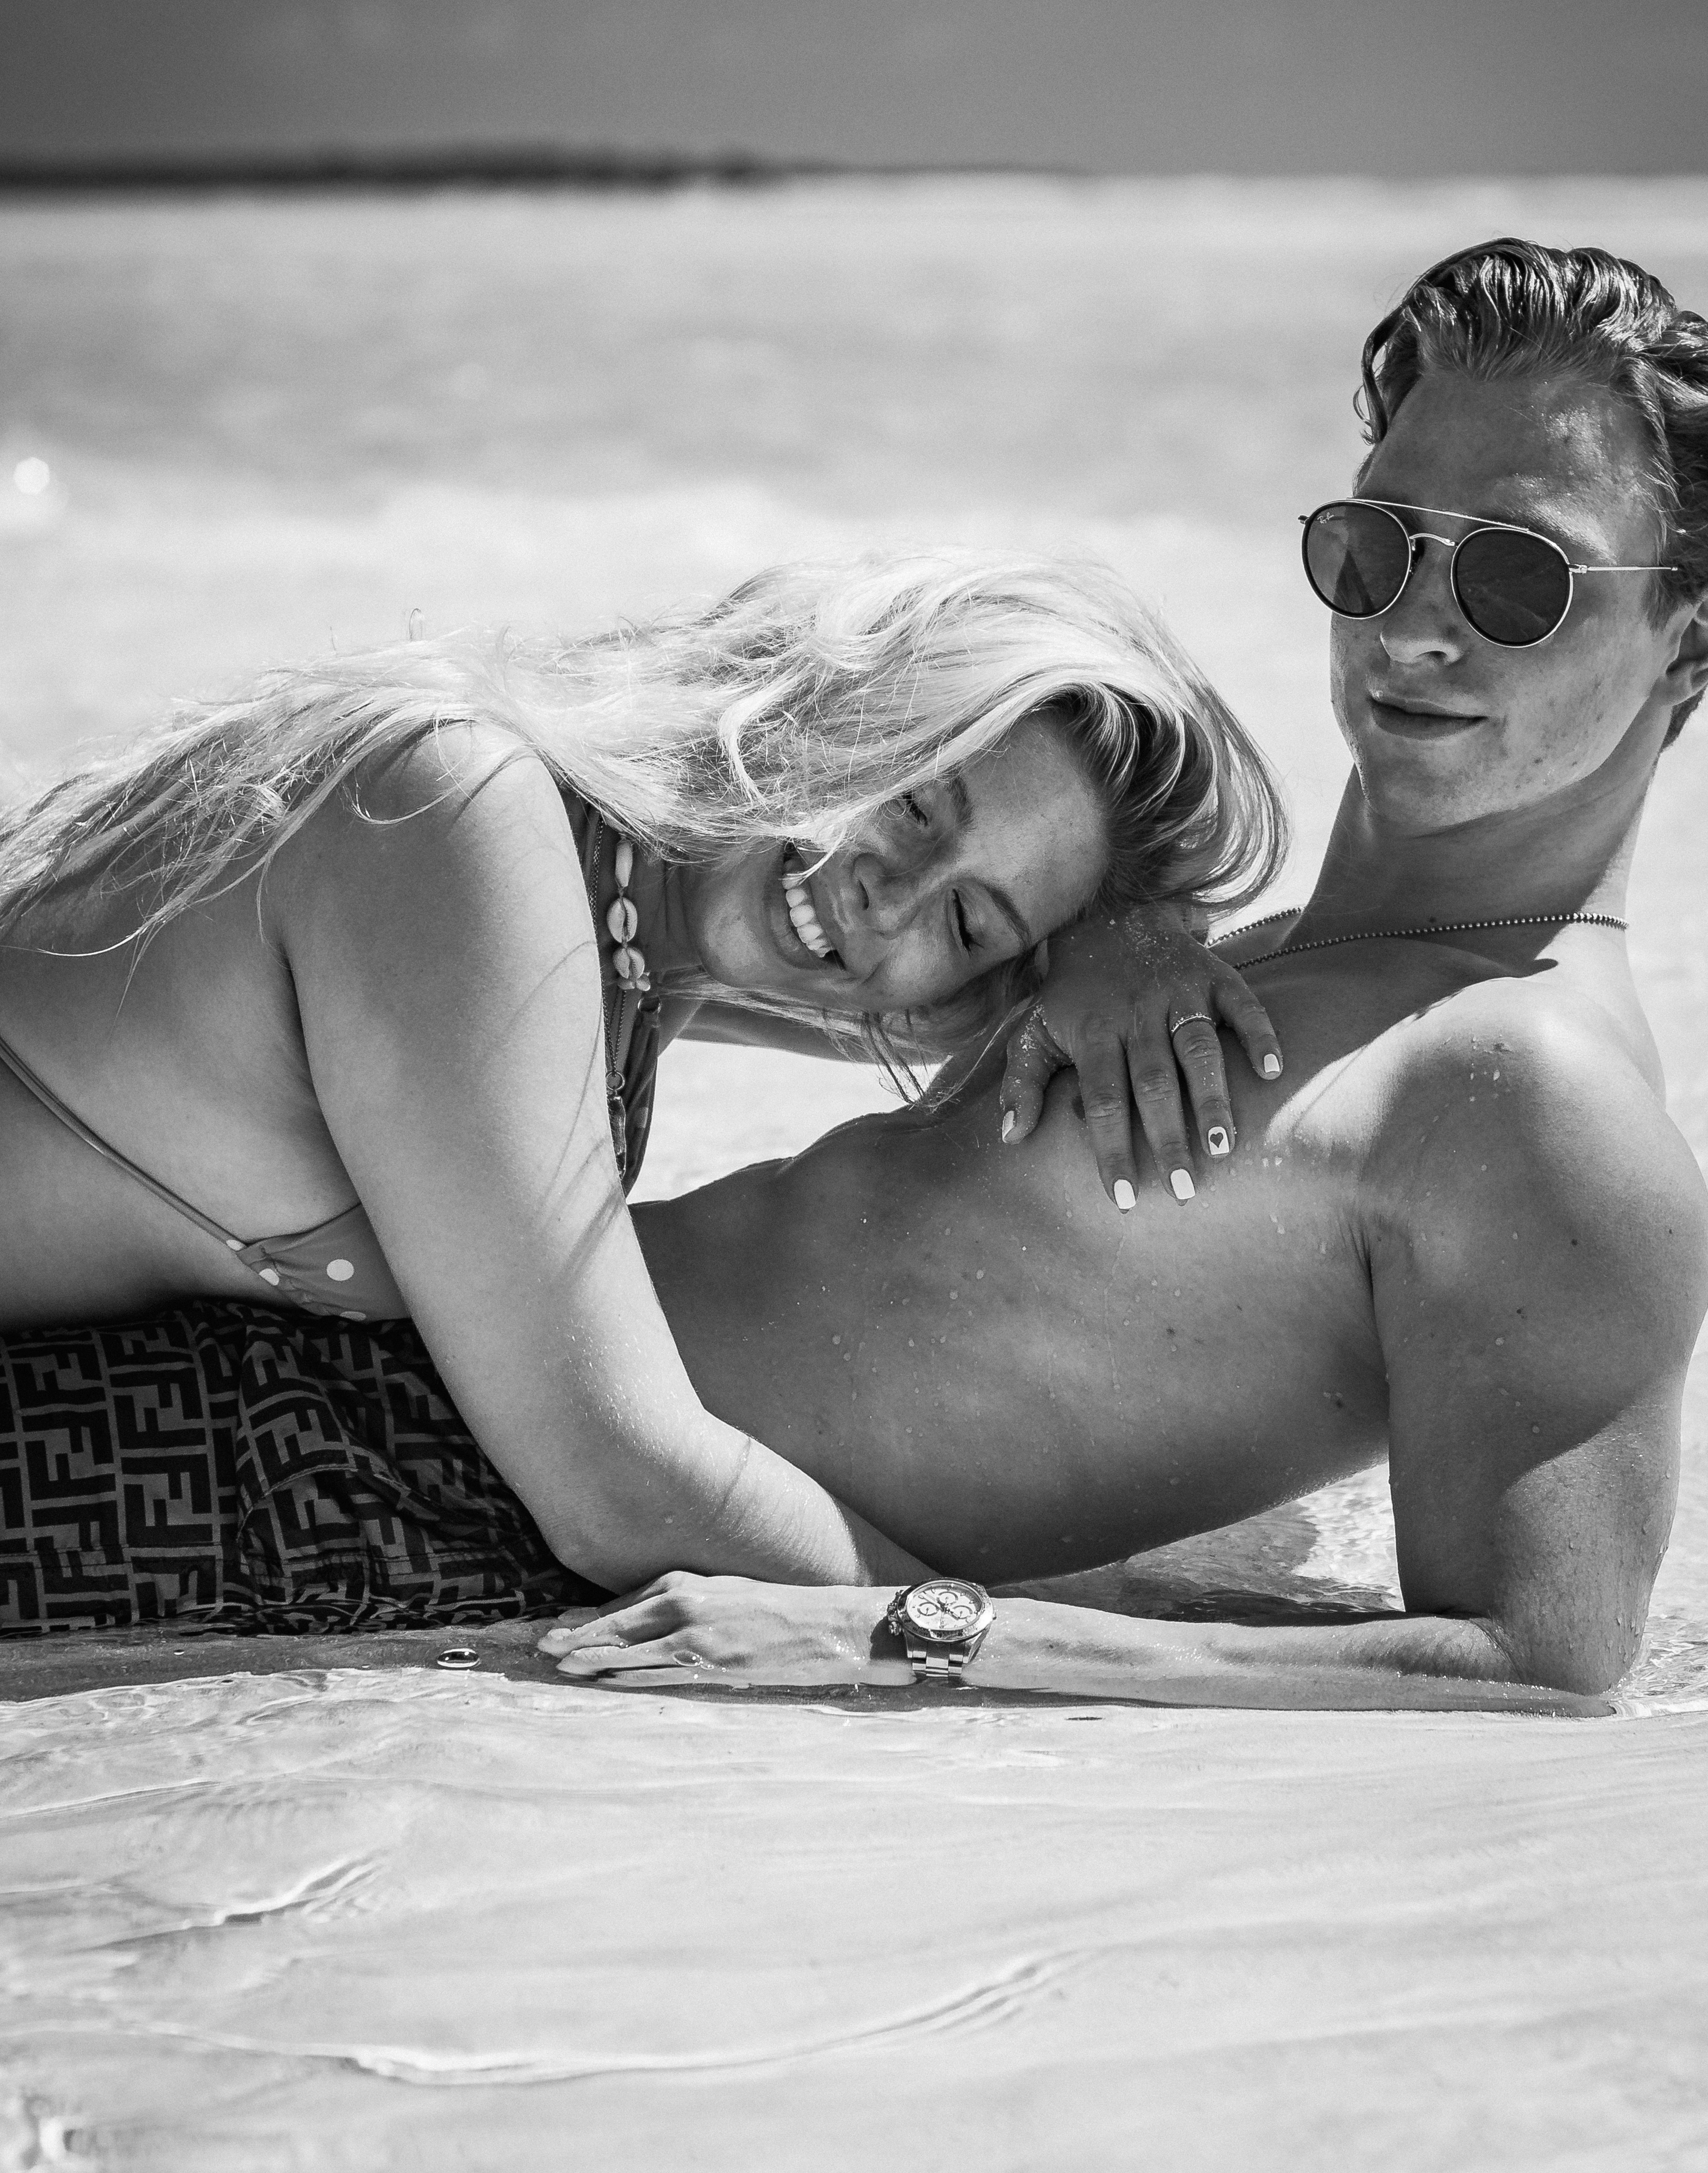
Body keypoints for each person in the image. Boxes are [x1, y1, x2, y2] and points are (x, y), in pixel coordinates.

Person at [535, 236, 1708, 1702]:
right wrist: (1122, 919)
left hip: (518, 1524)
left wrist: (894, 1634)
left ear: (1688, 635)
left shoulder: (1540, 1096)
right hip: (474, 1371)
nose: (1413, 626)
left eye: (1517, 578)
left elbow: (1540, 1669)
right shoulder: (1266, 965)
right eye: (1379, 542)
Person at [0, 552, 1284, 1621]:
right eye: (912, 797)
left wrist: (1131, 929)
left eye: (969, 920)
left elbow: (980, 1018)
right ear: (828, 690)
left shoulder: (644, 926)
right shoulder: (457, 816)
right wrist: (985, 1644)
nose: (887, 898)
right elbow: (612, 1484)